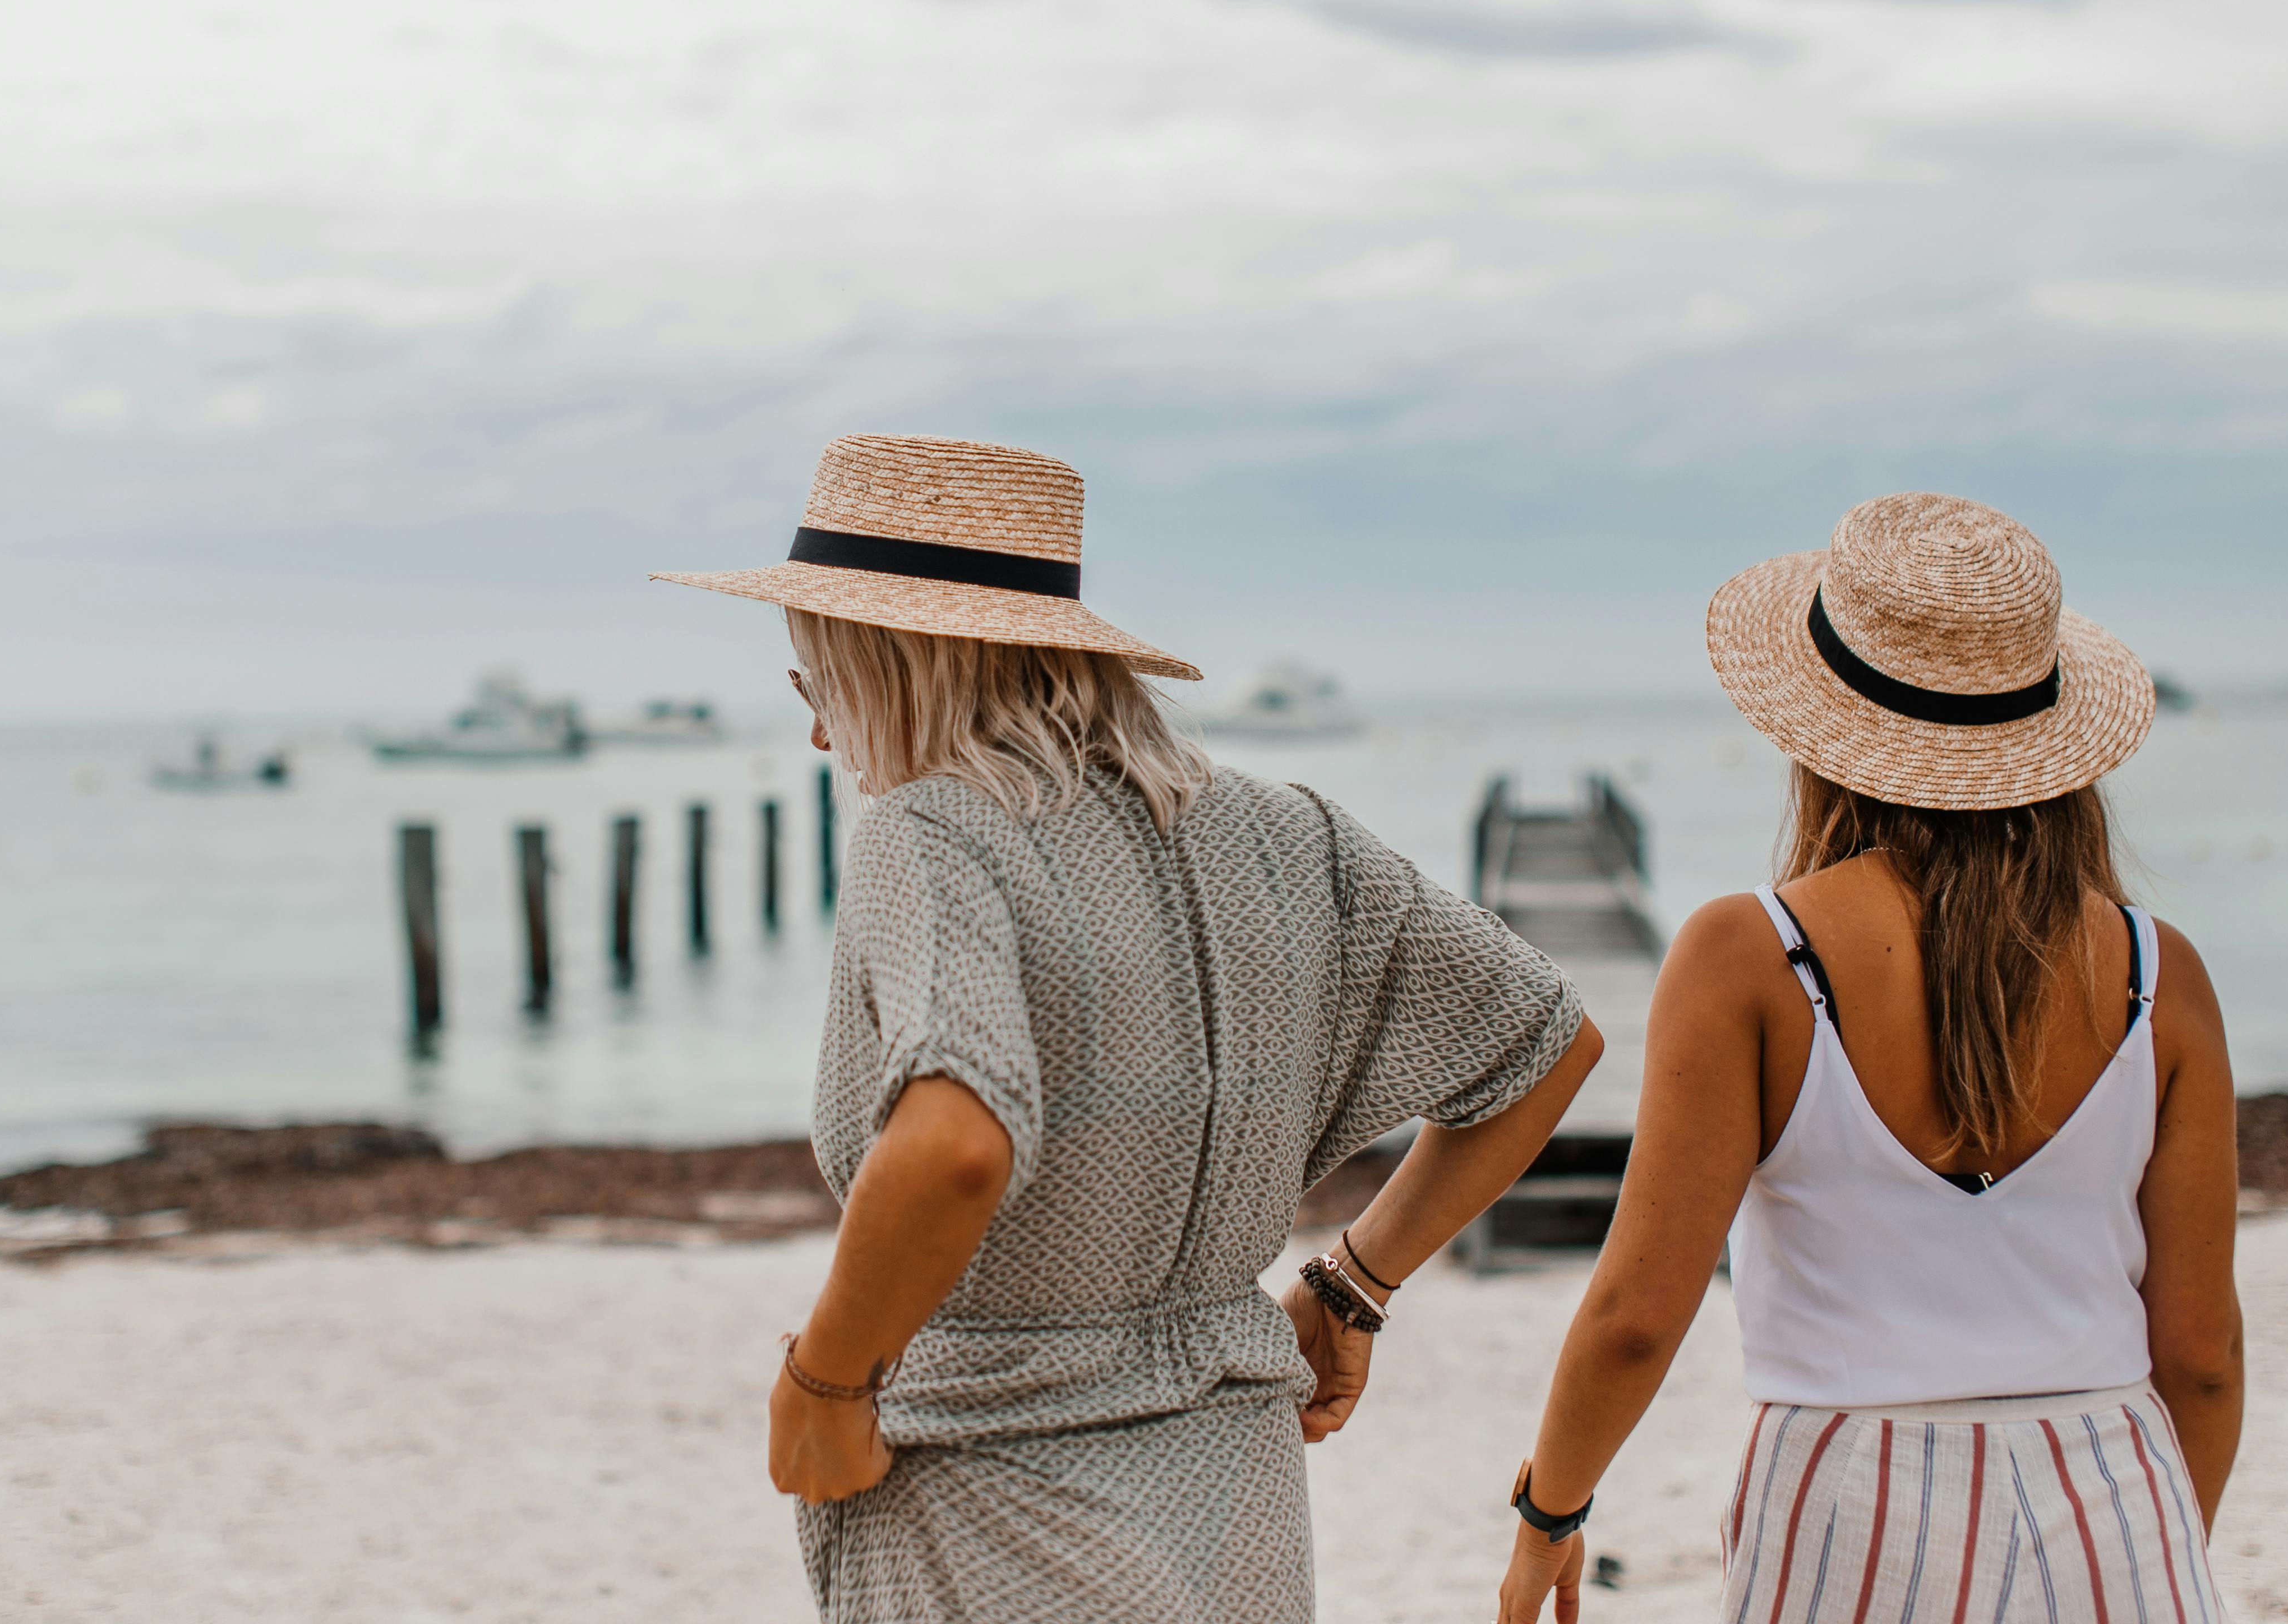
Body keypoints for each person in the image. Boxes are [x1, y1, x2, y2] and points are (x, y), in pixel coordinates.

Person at [652, 432, 1603, 1624]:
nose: (816, 736)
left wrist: (825, 1385)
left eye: (815, 684)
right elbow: (1547, 1044)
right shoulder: (1285, 833)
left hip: (991, 1497)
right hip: (1235, 1502)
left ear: (892, 659)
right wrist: (1354, 1283)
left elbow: (956, 1145)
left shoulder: (935, 833)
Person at [1494, 493, 2241, 1624]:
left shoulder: (1749, 956)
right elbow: (2203, 1355)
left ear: (1819, 729)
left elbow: (1639, 1312)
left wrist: (1551, 1510)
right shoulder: (2156, 969)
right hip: (2112, 1481)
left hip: (1849, 1495)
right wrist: (2156, 1539)